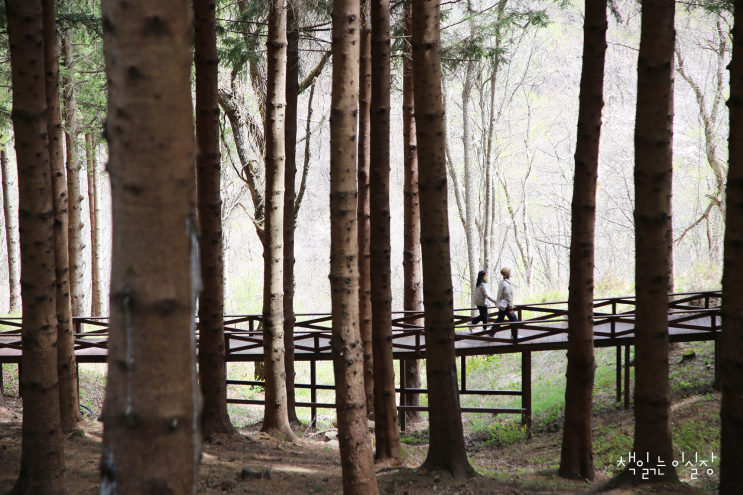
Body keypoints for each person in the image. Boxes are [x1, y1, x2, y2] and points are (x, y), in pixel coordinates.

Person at [489, 267, 518, 337]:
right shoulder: (506, 284)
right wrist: (511, 309)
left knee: (499, 319)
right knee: (514, 320)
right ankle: (514, 337)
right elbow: (508, 297)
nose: (511, 273)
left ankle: (491, 333)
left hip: (501, 305)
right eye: (510, 272)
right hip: (506, 306)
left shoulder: (502, 282)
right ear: (508, 274)